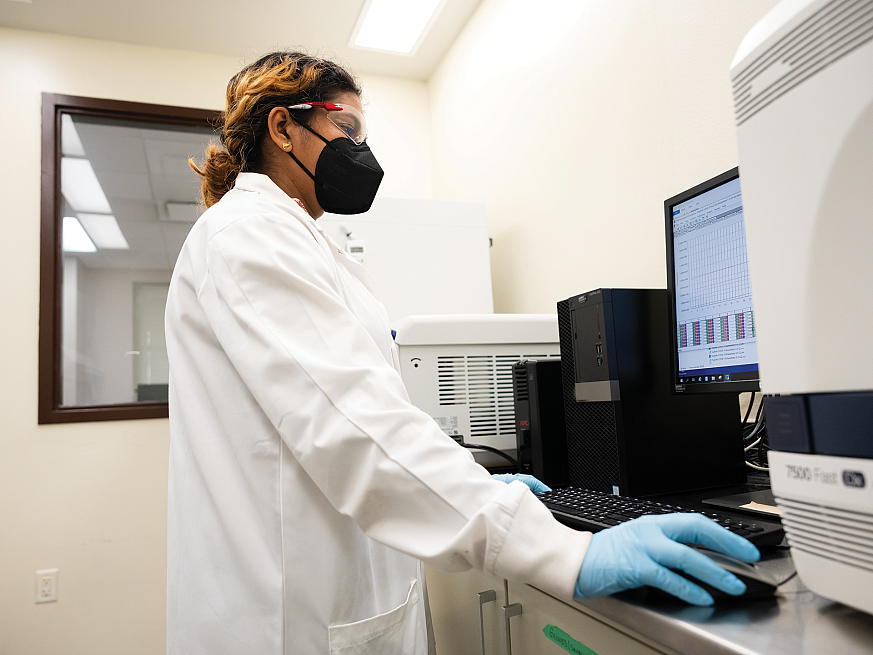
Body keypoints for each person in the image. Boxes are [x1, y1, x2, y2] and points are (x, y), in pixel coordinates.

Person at [165, 51, 760, 655]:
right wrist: (560, 549)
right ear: (283, 127)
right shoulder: (249, 235)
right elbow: (352, 425)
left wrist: (480, 484)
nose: (360, 154)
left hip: (334, 595)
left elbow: (365, 410)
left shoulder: (299, 240)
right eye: (346, 130)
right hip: (287, 617)